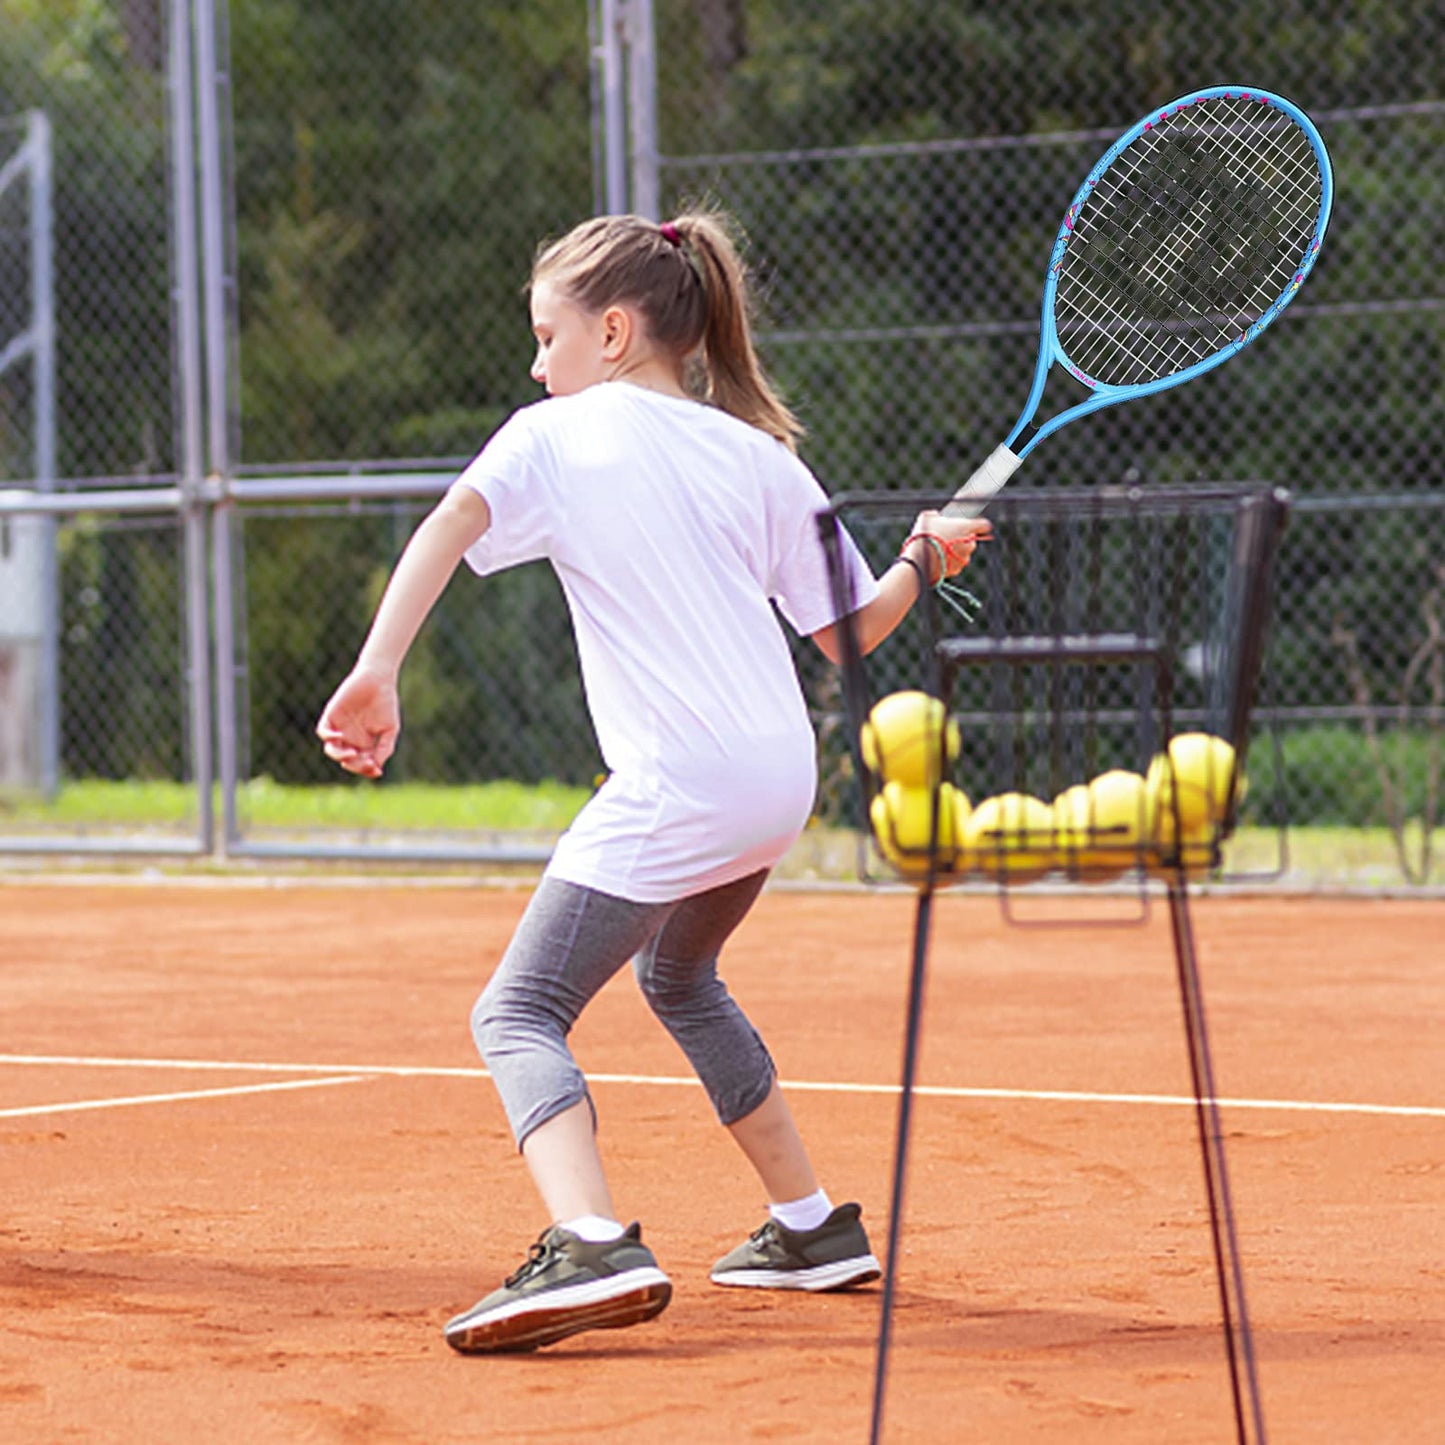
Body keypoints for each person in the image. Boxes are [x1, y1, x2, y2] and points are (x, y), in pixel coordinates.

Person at [315, 209, 990, 1355]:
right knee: (677, 974)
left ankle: (586, 1237)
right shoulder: (761, 454)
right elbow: (850, 630)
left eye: (547, 335)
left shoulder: (554, 431)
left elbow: (446, 525)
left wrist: (377, 669)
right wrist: (922, 555)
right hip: (776, 779)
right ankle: (809, 1223)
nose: (536, 363)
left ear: (615, 331)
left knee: (516, 1011)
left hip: (681, 781)